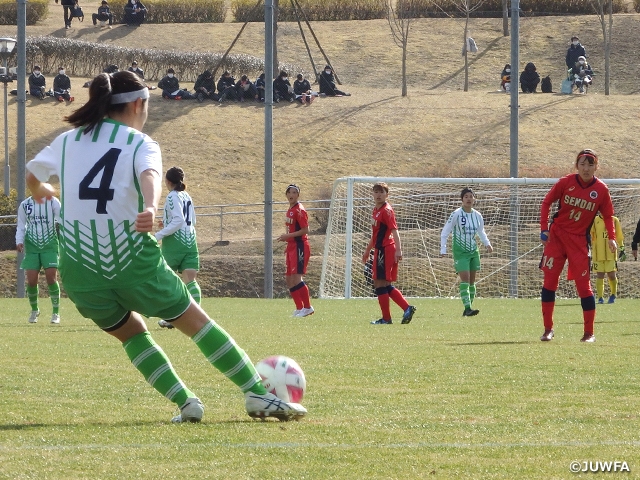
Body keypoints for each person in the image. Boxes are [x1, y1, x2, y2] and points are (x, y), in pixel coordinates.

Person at [24, 70, 306, 423]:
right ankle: (257, 393)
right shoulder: (139, 142)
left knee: (131, 335)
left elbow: (32, 175)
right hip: (130, 259)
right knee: (197, 323)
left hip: (79, 271)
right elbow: (150, 176)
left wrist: (44, 192)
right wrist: (150, 207)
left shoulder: (66, 141)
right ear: (139, 103)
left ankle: (186, 403)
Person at [539, 149, 616, 343]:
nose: (586, 168)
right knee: (549, 283)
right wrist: (544, 228)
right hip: (556, 237)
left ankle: (589, 333)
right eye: (582, 164)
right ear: (576, 165)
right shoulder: (566, 182)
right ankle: (548, 330)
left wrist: (611, 238)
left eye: (590, 164)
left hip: (579, 241)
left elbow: (608, 215)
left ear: (596, 167)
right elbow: (547, 202)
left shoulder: (601, 190)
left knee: (584, 287)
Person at [362, 182, 416, 325]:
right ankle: (406, 308)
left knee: (379, 283)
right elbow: (375, 234)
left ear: (387, 194)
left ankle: (387, 318)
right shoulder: (376, 210)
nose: (378, 195)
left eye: (381, 192)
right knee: (383, 284)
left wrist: (398, 249)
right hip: (380, 249)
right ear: (372, 194)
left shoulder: (386, 210)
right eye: (376, 192)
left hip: (386, 249)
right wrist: (368, 250)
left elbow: (394, 230)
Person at [156, 167, 202, 329]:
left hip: (175, 242)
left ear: (168, 181)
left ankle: (171, 318)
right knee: (190, 279)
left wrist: (159, 234)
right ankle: (196, 317)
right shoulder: (186, 195)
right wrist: (166, 223)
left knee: (165, 280)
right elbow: (192, 220)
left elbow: (178, 220)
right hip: (190, 240)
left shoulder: (172, 196)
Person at [440, 187, 493, 317]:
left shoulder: (477, 215)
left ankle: (468, 308)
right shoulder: (457, 214)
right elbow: (446, 231)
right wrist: (443, 248)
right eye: (466, 196)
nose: (469, 199)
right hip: (460, 252)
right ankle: (467, 308)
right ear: (462, 199)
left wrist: (487, 244)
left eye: (471, 196)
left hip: (473, 251)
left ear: (474, 198)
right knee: (465, 279)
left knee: (472, 282)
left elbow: (481, 231)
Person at [15, 195, 62, 325]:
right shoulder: (25, 204)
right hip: (32, 247)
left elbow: (62, 220)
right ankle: (35, 310)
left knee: (51, 278)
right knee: (31, 280)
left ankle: (55, 313)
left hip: (50, 245)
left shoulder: (52, 201)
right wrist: (19, 240)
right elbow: (21, 225)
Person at [277, 184, 314, 318]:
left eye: (294, 192)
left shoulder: (299, 209)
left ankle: (308, 307)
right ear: (286, 194)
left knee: (297, 277)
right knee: (289, 278)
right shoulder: (290, 209)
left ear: (298, 195)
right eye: (289, 192)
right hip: (292, 247)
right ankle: (299, 308)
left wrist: (288, 237)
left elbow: (305, 230)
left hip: (300, 246)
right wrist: (288, 244)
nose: (291, 195)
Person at [591, 213, 624, 304]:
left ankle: (613, 295)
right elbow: (591, 234)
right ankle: (600, 297)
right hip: (598, 254)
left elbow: (619, 235)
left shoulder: (614, 220)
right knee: (599, 275)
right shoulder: (595, 220)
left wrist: (622, 247)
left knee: (611, 275)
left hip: (611, 254)